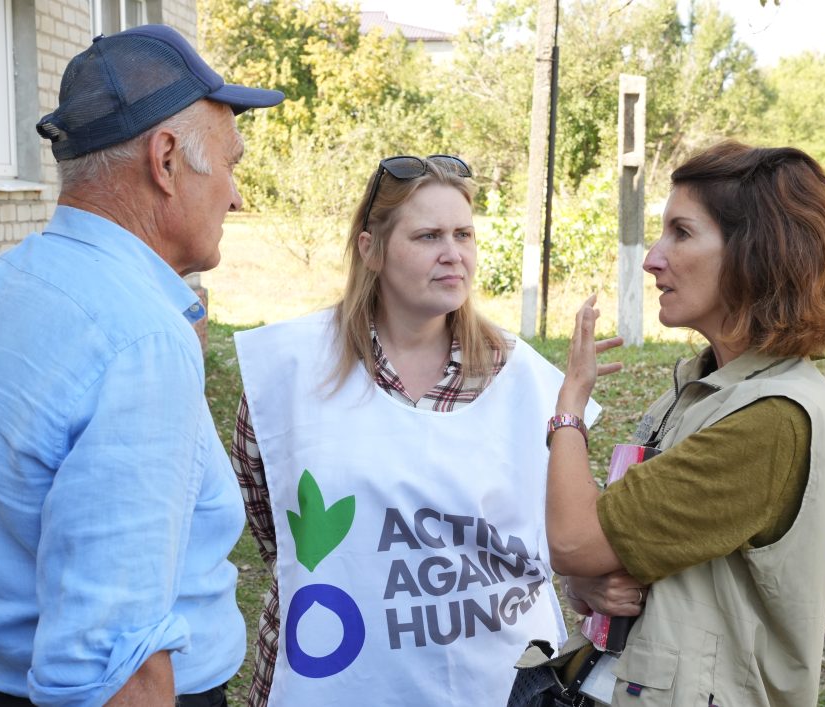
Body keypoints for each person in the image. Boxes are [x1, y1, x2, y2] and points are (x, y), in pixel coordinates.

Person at [0, 24, 283, 706]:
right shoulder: (141, 340)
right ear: (166, 161)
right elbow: (119, 665)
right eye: (230, 164)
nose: (236, 195)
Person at [231, 154, 599, 705]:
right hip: (335, 682)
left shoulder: (523, 379)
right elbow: (274, 527)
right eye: (428, 236)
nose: (453, 254)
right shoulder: (291, 371)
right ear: (371, 249)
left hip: (493, 683)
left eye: (463, 235)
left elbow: (562, 533)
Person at [546, 141, 825, 705]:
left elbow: (575, 539)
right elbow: (607, 555)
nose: (652, 258)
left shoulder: (770, 419)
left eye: (682, 233)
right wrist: (586, 584)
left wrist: (570, 407)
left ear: (755, 254)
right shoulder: (704, 387)